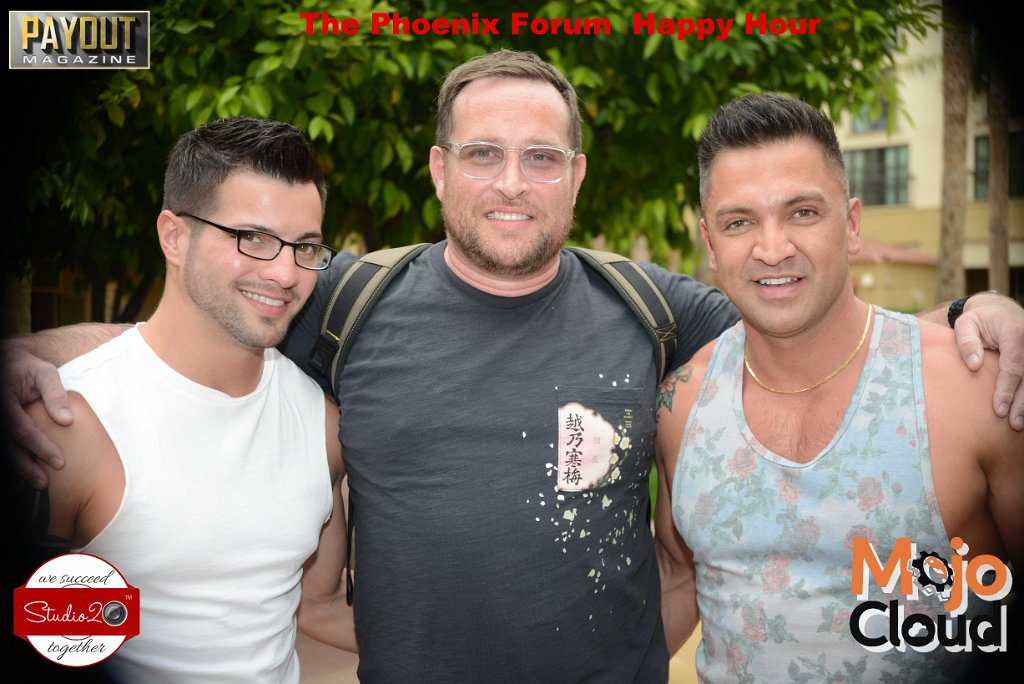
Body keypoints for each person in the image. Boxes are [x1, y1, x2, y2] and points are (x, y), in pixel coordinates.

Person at [5, 51, 1024, 682]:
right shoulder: (347, 298)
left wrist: (973, 315)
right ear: (439, 169)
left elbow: (801, 312)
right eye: (483, 154)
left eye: (541, 158)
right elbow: (202, 327)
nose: (512, 183)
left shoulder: (655, 309)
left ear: (575, 176)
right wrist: (31, 355)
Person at [654, 92, 1023, 682]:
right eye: (739, 222)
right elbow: (678, 575)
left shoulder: (977, 391)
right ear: (711, 245)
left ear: (851, 225)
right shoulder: (683, 406)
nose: (772, 248)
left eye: (802, 212)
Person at [17, 117, 356, 682]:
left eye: (305, 246)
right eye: (252, 238)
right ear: (174, 237)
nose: (284, 272)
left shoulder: (319, 425)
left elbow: (317, 607)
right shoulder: (71, 422)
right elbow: (42, 630)